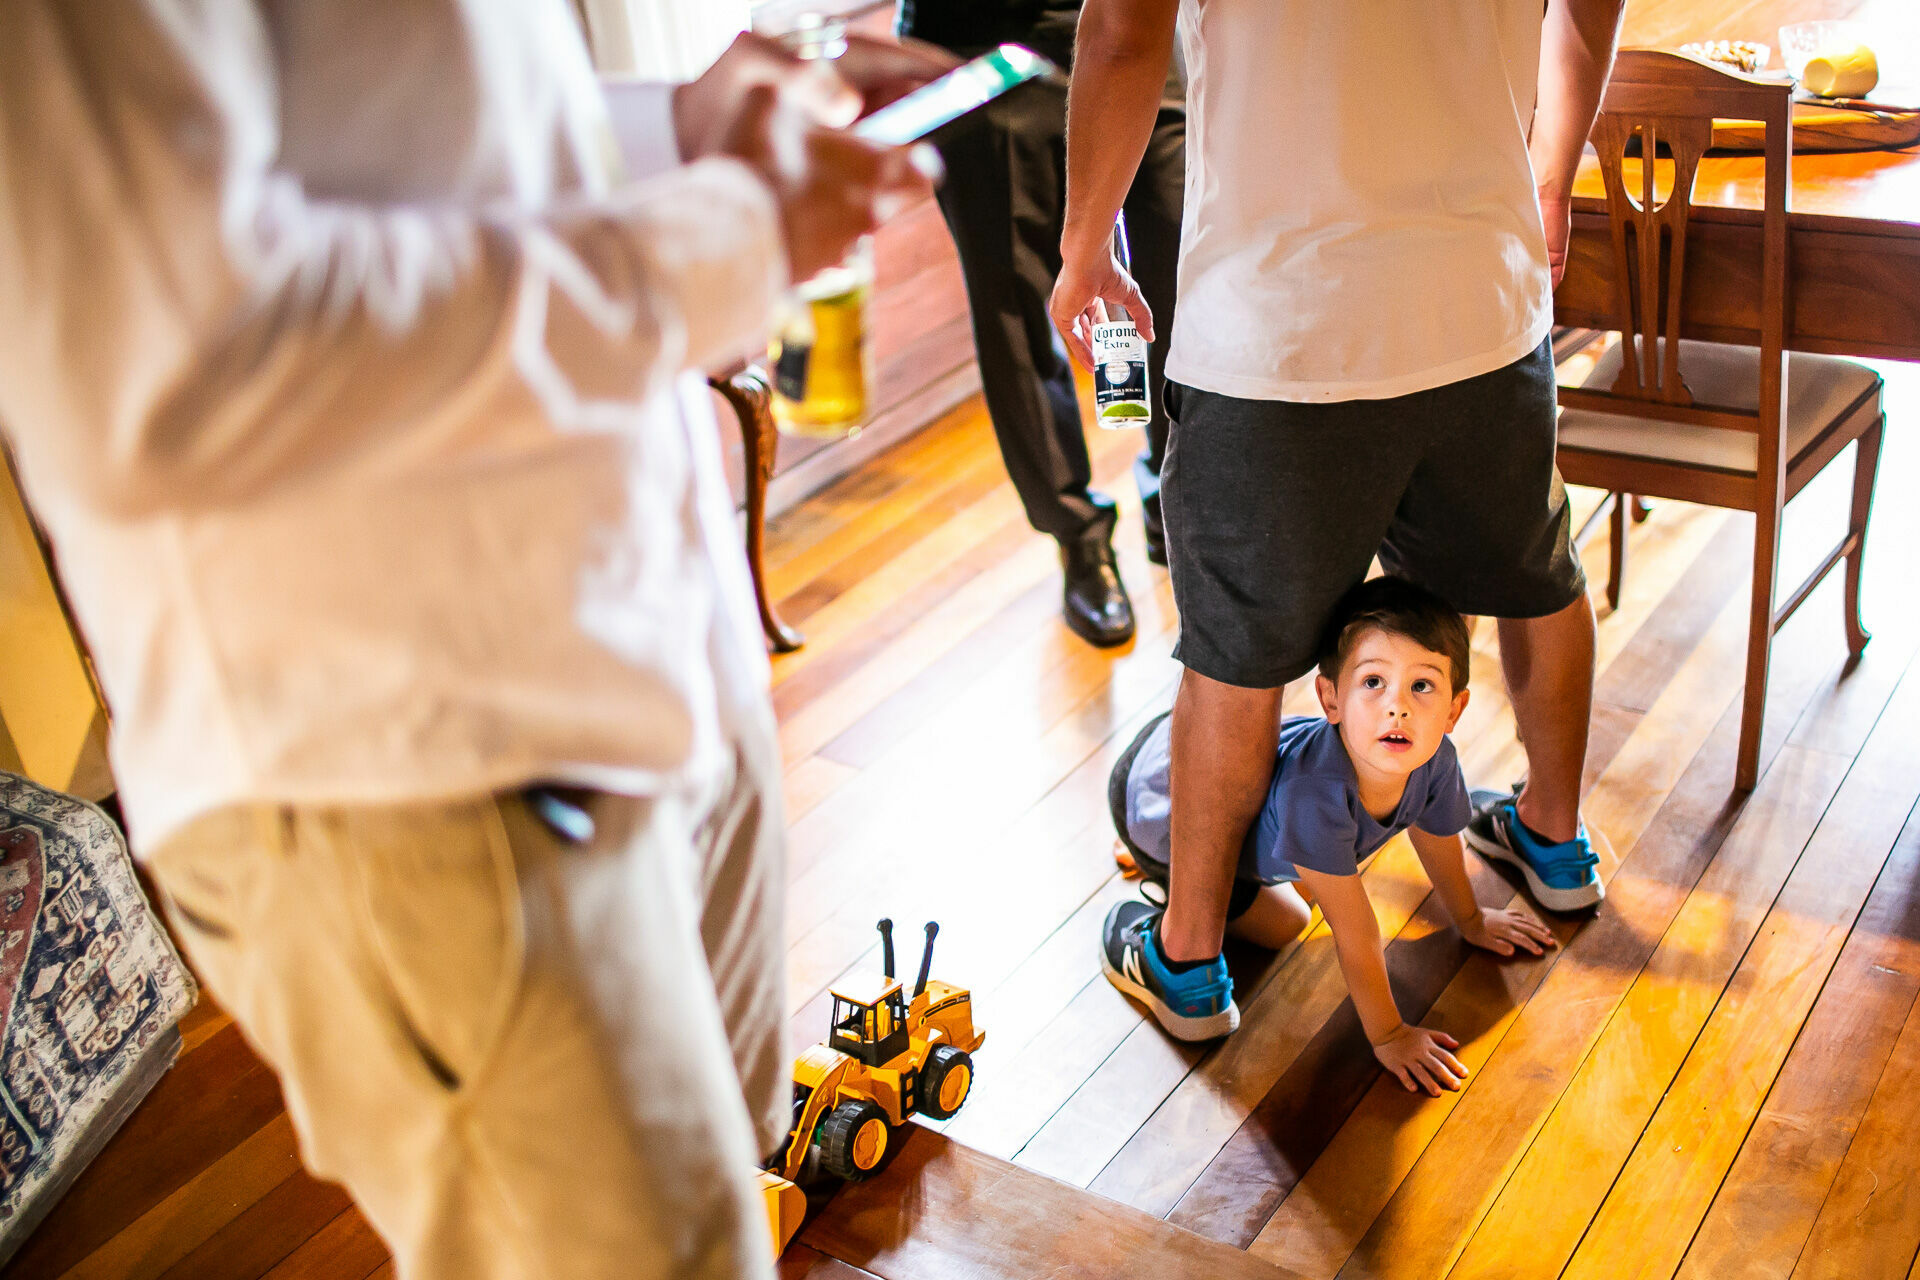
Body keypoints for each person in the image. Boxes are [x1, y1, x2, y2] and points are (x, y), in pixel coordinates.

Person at [0, 5, 947, 1278]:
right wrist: (717, 242)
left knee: (736, 1186)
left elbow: (414, 133)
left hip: (649, 633)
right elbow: (178, 369)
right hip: (421, 749)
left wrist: (671, 131)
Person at [1053, 0, 1625, 1039]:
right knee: (1536, 575)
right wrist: (1554, 164)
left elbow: (1124, 31)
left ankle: (1186, 957)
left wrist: (1084, 249)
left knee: (1235, 654)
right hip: (1478, 302)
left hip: (1280, 327)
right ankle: (1553, 835)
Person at [1103, 578, 1555, 1084]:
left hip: (1183, 762)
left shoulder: (1435, 760)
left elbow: (1437, 838)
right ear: (1330, 697)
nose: (1397, 707)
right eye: (1373, 683)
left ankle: (1174, 869)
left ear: (1454, 709)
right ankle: (1154, 894)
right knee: (1289, 922)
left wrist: (1470, 919)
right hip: (1154, 794)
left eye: (1421, 686)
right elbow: (1357, 931)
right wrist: (1389, 1035)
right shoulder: (1316, 794)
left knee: (1296, 903)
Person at [896, 0, 1186, 647]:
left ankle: (1173, 495)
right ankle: (1078, 538)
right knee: (1017, 312)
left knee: (1170, 279)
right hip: (986, 40)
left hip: (1139, 26)